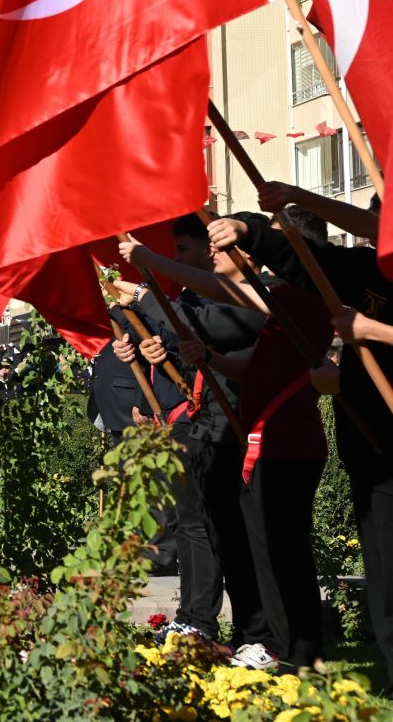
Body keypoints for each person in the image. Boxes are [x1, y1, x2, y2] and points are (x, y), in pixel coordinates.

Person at [122, 229, 332, 671]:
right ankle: (256, 636)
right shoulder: (254, 296)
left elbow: (217, 325)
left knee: (271, 546)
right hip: (233, 429)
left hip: (269, 435)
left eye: (224, 245)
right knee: (231, 538)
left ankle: (281, 643)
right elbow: (239, 358)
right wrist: (175, 354)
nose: (215, 251)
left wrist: (146, 289)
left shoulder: (275, 294)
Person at [210, 198, 393, 676]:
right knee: (383, 572)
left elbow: (237, 295)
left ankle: (295, 646)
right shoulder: (362, 269)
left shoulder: (309, 293)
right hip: (371, 443)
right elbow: (312, 267)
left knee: (288, 550)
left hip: (303, 441)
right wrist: (253, 232)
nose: (376, 236)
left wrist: (373, 330)